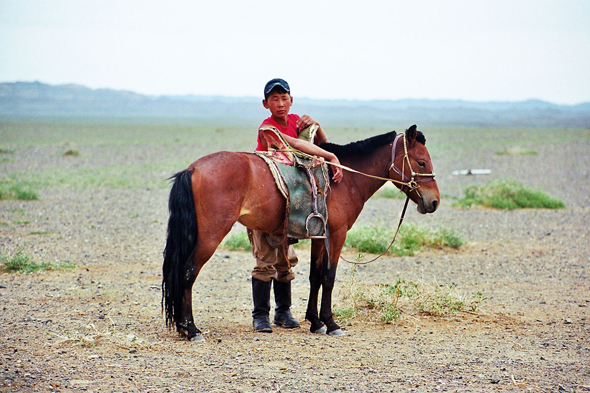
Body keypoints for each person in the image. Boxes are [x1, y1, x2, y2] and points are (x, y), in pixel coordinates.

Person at [249, 78, 343, 333]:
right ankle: (260, 316)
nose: (280, 103)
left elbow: (320, 142)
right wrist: (330, 157)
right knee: (265, 258)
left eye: (284, 98)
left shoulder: (297, 120)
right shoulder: (267, 127)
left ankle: (283, 311)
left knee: (286, 260)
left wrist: (316, 125)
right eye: (274, 99)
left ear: (291, 100)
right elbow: (297, 145)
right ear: (265, 103)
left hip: (290, 202)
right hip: (266, 199)